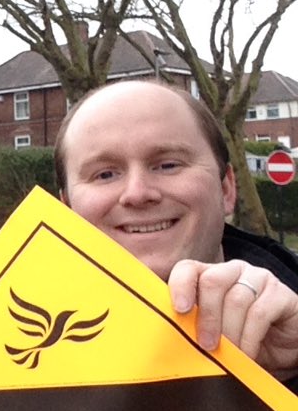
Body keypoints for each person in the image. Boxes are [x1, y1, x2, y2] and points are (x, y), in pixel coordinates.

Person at [55, 80, 298, 384]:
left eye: (168, 165)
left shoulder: (289, 338)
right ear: (66, 211)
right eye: (105, 174)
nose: (137, 193)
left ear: (226, 188)